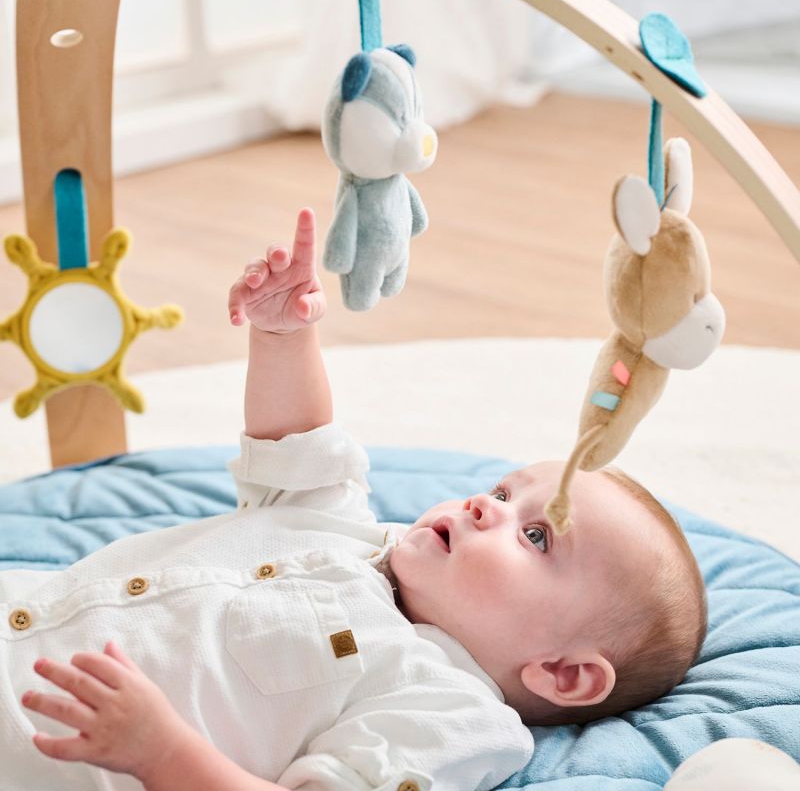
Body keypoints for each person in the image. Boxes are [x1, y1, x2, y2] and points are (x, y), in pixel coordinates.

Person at [6, 209, 707, 791]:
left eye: (536, 537)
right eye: (501, 490)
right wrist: (284, 334)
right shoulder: (346, 528)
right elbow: (297, 438)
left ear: (563, 672)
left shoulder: (451, 712)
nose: (483, 507)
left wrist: (161, 752)